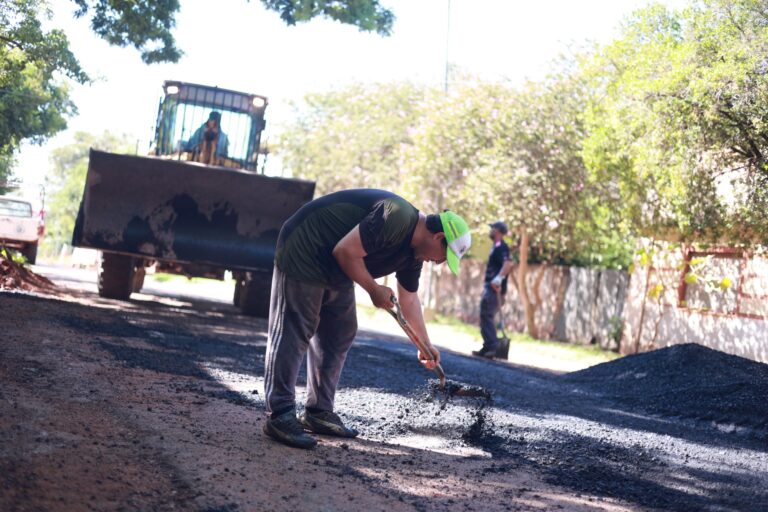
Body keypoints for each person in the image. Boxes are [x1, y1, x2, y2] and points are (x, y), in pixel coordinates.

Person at [263, 189, 472, 449]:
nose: (438, 263)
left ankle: (319, 412)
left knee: (340, 331)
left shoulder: (414, 255)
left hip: (334, 262)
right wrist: (373, 289)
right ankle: (280, 413)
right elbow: (345, 251)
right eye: (444, 256)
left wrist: (425, 344)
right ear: (438, 237)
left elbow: (409, 299)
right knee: (296, 328)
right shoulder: (397, 217)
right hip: (307, 245)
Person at [472, 220, 512, 359]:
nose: (490, 231)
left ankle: (492, 347)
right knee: (485, 315)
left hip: (494, 288)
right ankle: (488, 346)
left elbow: (507, 264)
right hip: (490, 287)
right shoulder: (496, 246)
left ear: (498, 231)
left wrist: (498, 279)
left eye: (492, 228)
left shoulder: (502, 246)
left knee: (487, 315)